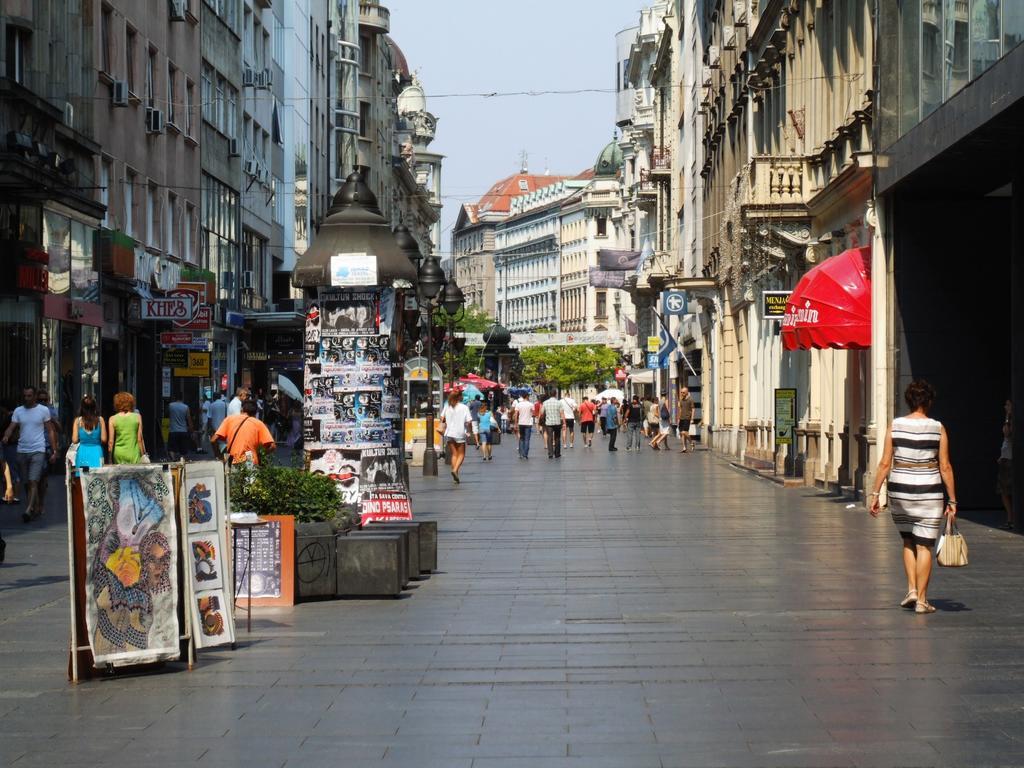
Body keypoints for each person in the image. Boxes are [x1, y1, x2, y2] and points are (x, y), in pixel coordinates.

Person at [869, 379, 957, 615]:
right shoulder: (938, 428)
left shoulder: (895, 425)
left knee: (908, 540)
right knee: (925, 545)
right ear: (928, 402)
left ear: (909, 400)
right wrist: (952, 500)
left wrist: (875, 493)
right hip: (929, 491)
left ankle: (911, 590)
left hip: (900, 490)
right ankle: (922, 600)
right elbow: (945, 466)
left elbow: (885, 462)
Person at [2, 386, 58, 522]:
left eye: (29, 396)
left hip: (38, 450)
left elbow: (50, 430)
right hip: (22, 450)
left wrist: (55, 450)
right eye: (25, 396)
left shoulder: (43, 410)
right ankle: (34, 505)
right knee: (27, 482)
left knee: (34, 481)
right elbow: (11, 427)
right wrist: (6, 436)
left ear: (34, 396)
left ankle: (28, 509)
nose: (26, 398)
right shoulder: (18, 411)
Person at [214, 398, 276, 465]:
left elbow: (213, 439)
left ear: (241, 410)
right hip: (250, 458)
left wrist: (219, 456)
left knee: (232, 475)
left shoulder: (229, 419)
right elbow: (272, 446)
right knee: (249, 475)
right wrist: (260, 455)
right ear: (255, 413)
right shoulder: (258, 424)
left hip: (232, 459)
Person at [438, 390, 472, 483]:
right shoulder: (464, 407)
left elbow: (442, 418)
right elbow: (469, 421)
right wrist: (469, 431)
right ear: (459, 397)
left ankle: (455, 474)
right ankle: (455, 470)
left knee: (454, 454)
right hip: (460, 432)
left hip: (449, 433)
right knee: (461, 454)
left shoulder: (447, 406)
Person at [108, 392, 146, 465]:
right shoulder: (137, 417)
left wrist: (110, 459)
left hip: (119, 453)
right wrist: (142, 455)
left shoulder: (112, 419)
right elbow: (139, 439)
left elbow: (110, 442)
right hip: (133, 453)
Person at [71, 395, 106, 469]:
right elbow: (104, 439)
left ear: (82, 407)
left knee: (82, 477)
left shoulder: (78, 421)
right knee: (97, 478)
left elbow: (74, 440)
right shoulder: (100, 420)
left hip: (82, 452)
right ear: (94, 407)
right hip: (97, 451)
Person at [999, 399, 1013, 530]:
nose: (1005, 407)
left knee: (1007, 490)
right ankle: (1010, 518)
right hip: (1005, 458)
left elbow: (1007, 433)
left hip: (1010, 460)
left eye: (1008, 404)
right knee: (1004, 491)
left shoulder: (1012, 419)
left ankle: (1011, 519)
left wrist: (1008, 416)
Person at [167, 393, 194, 461]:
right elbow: (189, 419)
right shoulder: (186, 407)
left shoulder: (170, 405)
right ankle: (182, 459)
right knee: (183, 449)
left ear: (175, 397)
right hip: (183, 431)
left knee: (171, 448)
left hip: (173, 430)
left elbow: (168, 414)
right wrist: (191, 429)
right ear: (182, 398)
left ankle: (173, 459)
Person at [543, 390, 565, 459]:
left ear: (550, 394)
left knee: (550, 438)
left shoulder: (545, 403)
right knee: (557, 438)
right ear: (556, 394)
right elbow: (562, 413)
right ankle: (557, 453)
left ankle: (550, 453)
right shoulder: (559, 403)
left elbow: (541, 412)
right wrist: (564, 423)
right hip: (557, 422)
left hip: (549, 423)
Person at [514, 395, 535, 459]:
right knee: (527, 439)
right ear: (527, 397)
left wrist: (515, 423)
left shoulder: (519, 404)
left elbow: (516, 414)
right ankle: (525, 454)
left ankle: (521, 453)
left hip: (521, 423)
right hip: (528, 423)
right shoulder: (531, 404)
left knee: (521, 438)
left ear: (523, 397)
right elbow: (533, 414)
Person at [677, 387, 695, 453]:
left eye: (683, 392)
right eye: (681, 392)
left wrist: (692, 418)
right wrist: (678, 418)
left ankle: (691, 442)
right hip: (681, 418)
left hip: (687, 418)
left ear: (687, 392)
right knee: (681, 433)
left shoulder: (690, 399)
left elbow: (693, 409)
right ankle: (684, 447)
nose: (682, 393)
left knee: (685, 432)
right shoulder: (681, 400)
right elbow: (680, 410)